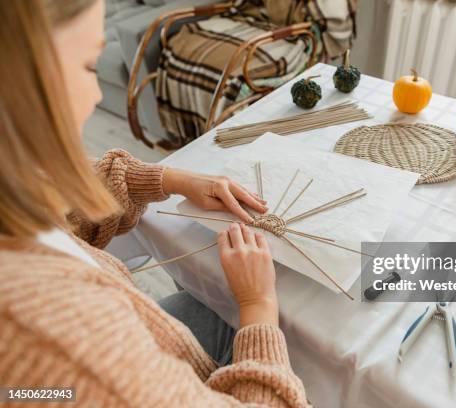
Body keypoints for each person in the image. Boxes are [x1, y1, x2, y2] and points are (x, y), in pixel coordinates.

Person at [0, 0, 309, 406]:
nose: (95, 95)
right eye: (89, 66)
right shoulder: (66, 348)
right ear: (23, 83)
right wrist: (258, 305)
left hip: (143, 343)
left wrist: (169, 179)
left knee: (215, 301)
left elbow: (57, 209)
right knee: (306, 341)